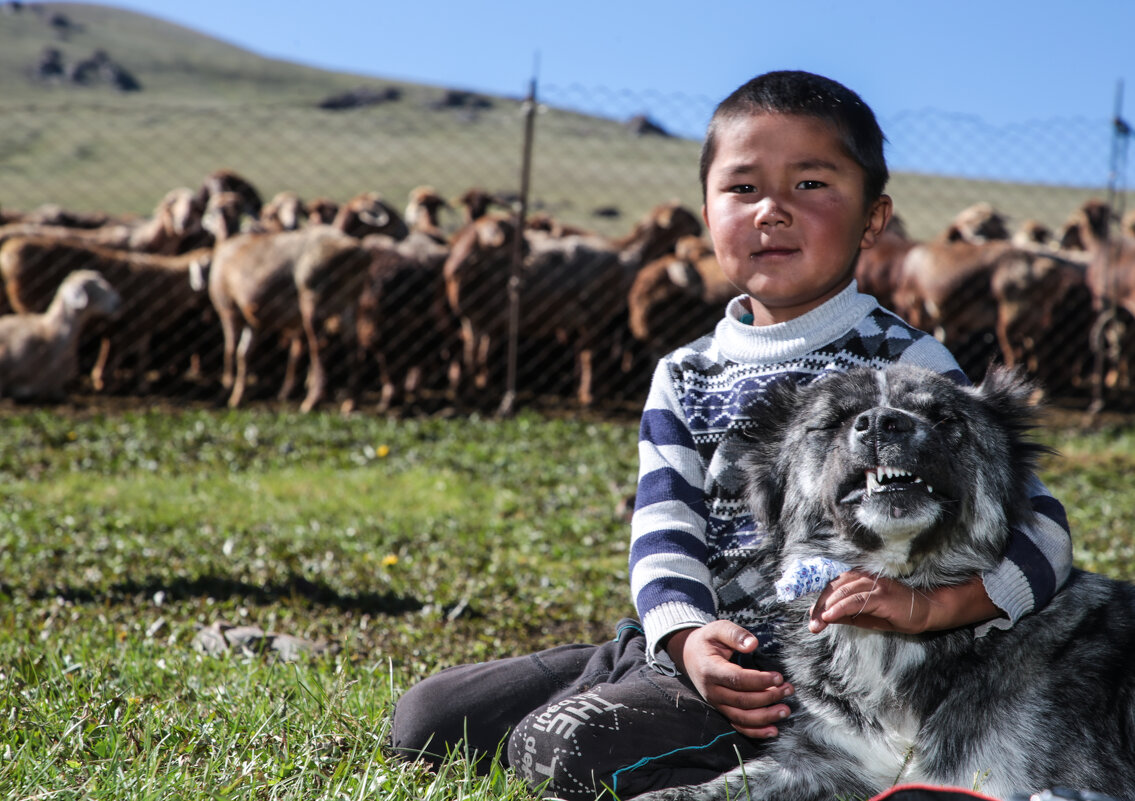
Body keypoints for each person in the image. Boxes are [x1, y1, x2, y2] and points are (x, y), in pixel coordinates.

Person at [390, 70, 1072, 800]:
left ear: (873, 221)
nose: (771, 211)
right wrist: (683, 637)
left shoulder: (909, 368)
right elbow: (662, 530)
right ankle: (632, 681)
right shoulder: (683, 374)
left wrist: (938, 607)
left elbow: (1042, 527)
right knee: (424, 718)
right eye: (742, 188)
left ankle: (794, 772)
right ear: (706, 212)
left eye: (810, 184)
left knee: (566, 745)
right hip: (695, 648)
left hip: (807, 683)